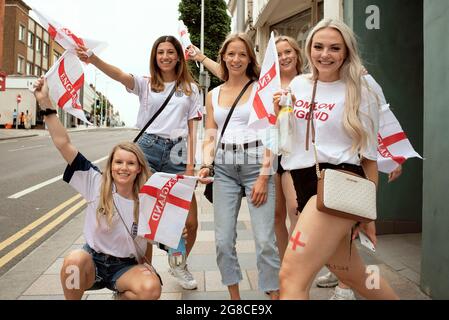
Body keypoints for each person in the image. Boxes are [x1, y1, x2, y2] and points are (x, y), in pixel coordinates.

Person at [277, 19, 399, 299]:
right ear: (308, 49)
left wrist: (368, 214)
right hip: (303, 181)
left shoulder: (361, 90)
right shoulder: (298, 84)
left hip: (339, 183)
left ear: (346, 52)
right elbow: (287, 142)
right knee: (353, 274)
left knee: (291, 276)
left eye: (334, 48)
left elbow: (368, 158)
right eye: (318, 47)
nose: (325, 54)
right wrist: (279, 115)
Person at [76, 35, 202, 290]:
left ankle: (179, 264)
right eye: (160, 52)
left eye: (170, 52)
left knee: (189, 220)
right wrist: (93, 58)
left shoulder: (190, 88)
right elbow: (119, 74)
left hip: (178, 153)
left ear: (179, 56)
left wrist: (191, 164)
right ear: (155, 57)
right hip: (147, 151)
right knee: (145, 219)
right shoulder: (146, 84)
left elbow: (192, 127)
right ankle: (144, 271)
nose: (165, 56)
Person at [33, 77, 162, 300]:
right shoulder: (95, 182)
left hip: (125, 267)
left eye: (130, 163)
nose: (123, 168)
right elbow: (64, 143)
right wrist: (45, 102)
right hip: (92, 263)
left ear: (139, 168)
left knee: (151, 288)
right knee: (73, 263)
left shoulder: (148, 198)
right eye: (118, 162)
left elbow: (146, 242)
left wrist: (146, 268)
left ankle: (120, 295)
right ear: (110, 166)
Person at [189, 35, 301, 261]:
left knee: (295, 213)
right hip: (255, 159)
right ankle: (285, 270)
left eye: (288, 52)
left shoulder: (295, 84)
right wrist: (200, 57)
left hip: (285, 157)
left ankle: (299, 269)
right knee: (275, 219)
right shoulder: (259, 84)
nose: (283, 58)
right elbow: (228, 73)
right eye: (278, 55)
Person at [198, 33, 280, 300]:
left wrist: (264, 175)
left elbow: (271, 131)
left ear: (250, 59)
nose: (236, 59)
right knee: (223, 241)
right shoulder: (212, 95)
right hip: (224, 167)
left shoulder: (261, 89)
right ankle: (235, 298)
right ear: (223, 57)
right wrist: (205, 164)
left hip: (257, 164)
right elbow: (210, 131)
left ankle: (273, 294)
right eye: (231, 54)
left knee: (265, 241)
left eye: (242, 54)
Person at [317, 164, 404, 300]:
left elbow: (368, 156)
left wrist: (394, 160)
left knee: (291, 276)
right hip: (309, 178)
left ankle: (344, 286)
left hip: (340, 176)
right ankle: (341, 275)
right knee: (356, 273)